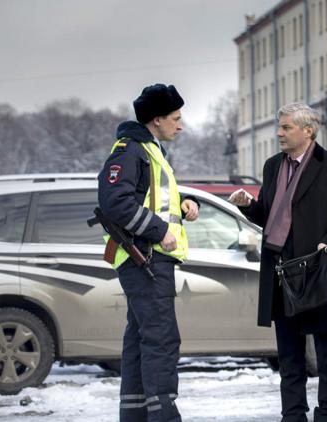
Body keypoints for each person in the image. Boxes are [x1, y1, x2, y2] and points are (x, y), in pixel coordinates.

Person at [229, 102, 327, 422]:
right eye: (279, 126)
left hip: (318, 268)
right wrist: (249, 206)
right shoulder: (273, 166)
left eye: (286, 127)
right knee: (289, 352)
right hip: (280, 270)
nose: (279, 133)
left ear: (308, 130)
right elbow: (269, 216)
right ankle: (293, 414)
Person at [97, 83, 199, 422]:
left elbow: (153, 199)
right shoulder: (131, 151)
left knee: (141, 340)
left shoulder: (150, 151)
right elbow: (115, 203)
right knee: (161, 339)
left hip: (150, 258)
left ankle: (137, 416)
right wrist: (159, 232)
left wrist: (184, 206)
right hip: (146, 259)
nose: (180, 125)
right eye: (176, 118)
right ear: (156, 119)